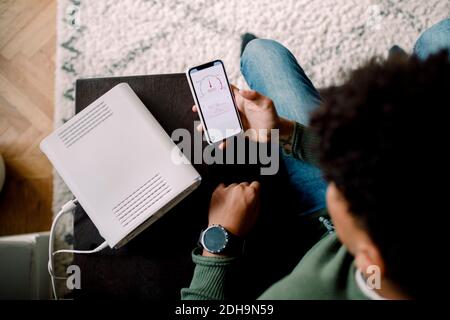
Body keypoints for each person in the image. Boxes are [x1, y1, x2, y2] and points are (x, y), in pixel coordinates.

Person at [181, 18, 450, 299]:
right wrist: (283, 132)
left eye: (342, 184)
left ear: (369, 262)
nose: (335, 177)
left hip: (316, 229)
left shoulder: (298, 294)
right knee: (442, 36)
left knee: (262, 54)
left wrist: (218, 241)